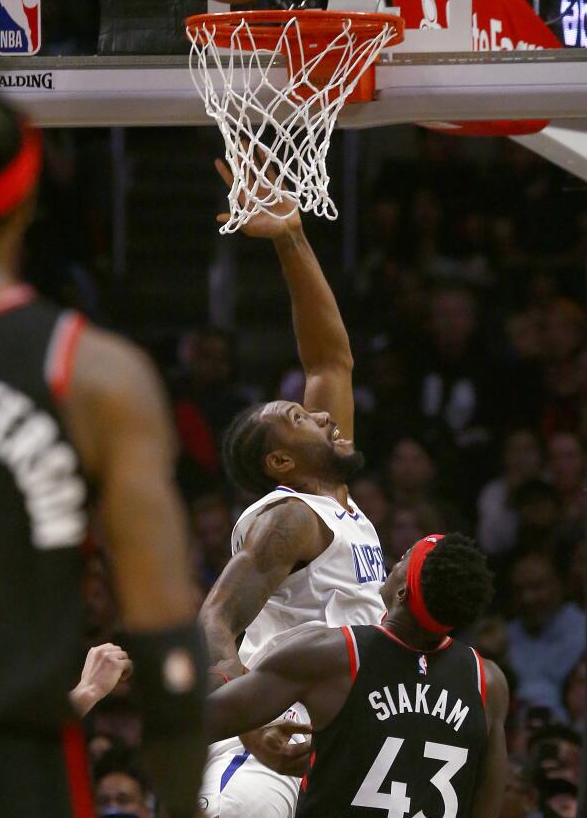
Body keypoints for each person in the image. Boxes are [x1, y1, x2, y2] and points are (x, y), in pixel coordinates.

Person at [0, 86, 205, 818]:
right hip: (16, 770)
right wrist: (180, 801)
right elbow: (164, 635)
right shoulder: (94, 375)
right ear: (25, 204)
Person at [199, 155, 386, 818]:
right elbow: (215, 620)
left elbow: (330, 359)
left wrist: (290, 237)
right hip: (269, 755)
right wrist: (245, 717)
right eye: (303, 419)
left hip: (330, 740)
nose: (327, 414)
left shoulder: (335, 505)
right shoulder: (291, 516)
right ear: (280, 465)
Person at [206, 533, 509, 818]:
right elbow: (486, 805)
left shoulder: (332, 654)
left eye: (404, 558)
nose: (396, 561)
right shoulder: (488, 683)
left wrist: (249, 719)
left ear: (402, 592)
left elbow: (202, 720)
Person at [507, 552, 585, 720]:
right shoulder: (505, 639)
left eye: (536, 587)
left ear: (558, 585)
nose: (527, 598)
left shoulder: (581, 629)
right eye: (519, 590)